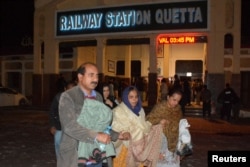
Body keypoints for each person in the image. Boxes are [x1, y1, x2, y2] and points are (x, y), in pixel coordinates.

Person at [57, 62, 130, 167]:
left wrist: (117, 135)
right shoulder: (68, 96)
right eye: (91, 75)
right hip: (76, 152)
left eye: (97, 76)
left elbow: (100, 124)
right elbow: (69, 126)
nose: (95, 79)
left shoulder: (98, 97)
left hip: (97, 152)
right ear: (80, 77)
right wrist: (96, 136)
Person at [111, 86, 165, 167]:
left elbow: (144, 126)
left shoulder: (140, 110)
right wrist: (125, 132)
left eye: (136, 97)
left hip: (140, 147)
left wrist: (157, 125)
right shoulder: (118, 111)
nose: (134, 99)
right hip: (125, 147)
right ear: (125, 97)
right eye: (131, 97)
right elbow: (115, 127)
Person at [146, 88, 192, 167]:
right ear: (168, 97)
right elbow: (148, 119)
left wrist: (184, 127)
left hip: (174, 141)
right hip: (162, 141)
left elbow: (179, 121)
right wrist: (159, 121)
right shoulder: (160, 107)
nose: (176, 103)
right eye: (174, 100)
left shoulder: (178, 109)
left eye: (178, 101)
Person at [49, 80, 76, 159]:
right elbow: (52, 111)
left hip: (73, 129)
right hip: (59, 127)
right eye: (69, 90)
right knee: (58, 146)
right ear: (65, 89)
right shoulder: (58, 98)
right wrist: (52, 125)